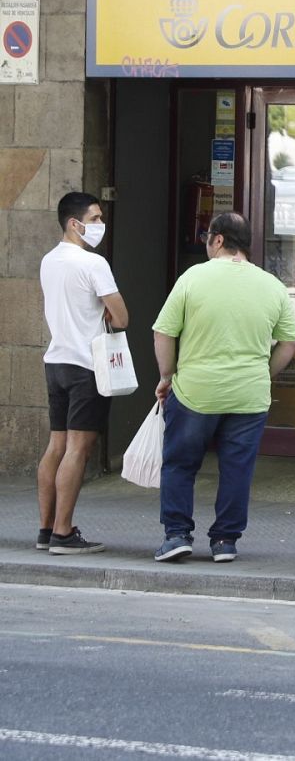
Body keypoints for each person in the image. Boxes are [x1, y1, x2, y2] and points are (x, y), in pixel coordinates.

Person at [153, 212, 295, 563]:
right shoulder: (271, 285)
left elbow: (163, 332)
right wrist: (264, 373)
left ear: (217, 240)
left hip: (195, 392)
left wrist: (167, 376)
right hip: (249, 395)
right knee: (236, 469)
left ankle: (176, 535)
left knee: (179, 464)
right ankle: (225, 542)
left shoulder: (193, 278)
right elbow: (290, 342)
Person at [36, 192, 128, 555]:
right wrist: (107, 313)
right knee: (79, 448)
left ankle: (45, 529)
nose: (99, 225)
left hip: (56, 361)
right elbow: (121, 318)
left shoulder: (48, 261)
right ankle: (63, 531)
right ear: (75, 223)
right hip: (86, 366)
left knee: (56, 445)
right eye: (95, 218)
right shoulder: (94, 264)